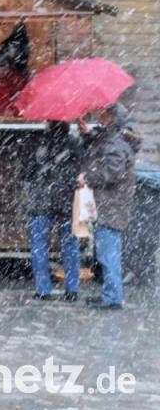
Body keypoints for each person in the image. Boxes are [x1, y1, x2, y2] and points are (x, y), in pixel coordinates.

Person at [78, 104, 140, 310]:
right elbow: (101, 146)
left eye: (104, 113)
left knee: (108, 254)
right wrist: (88, 134)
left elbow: (112, 173)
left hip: (111, 205)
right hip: (109, 204)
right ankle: (110, 294)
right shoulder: (114, 139)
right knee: (107, 252)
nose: (100, 116)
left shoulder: (116, 144)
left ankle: (113, 297)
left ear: (111, 118)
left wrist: (88, 178)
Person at [20, 121, 83, 301]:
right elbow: (83, 169)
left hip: (41, 202)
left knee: (39, 247)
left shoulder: (36, 143)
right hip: (66, 202)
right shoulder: (75, 144)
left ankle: (43, 290)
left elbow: (25, 174)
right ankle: (72, 290)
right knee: (70, 247)